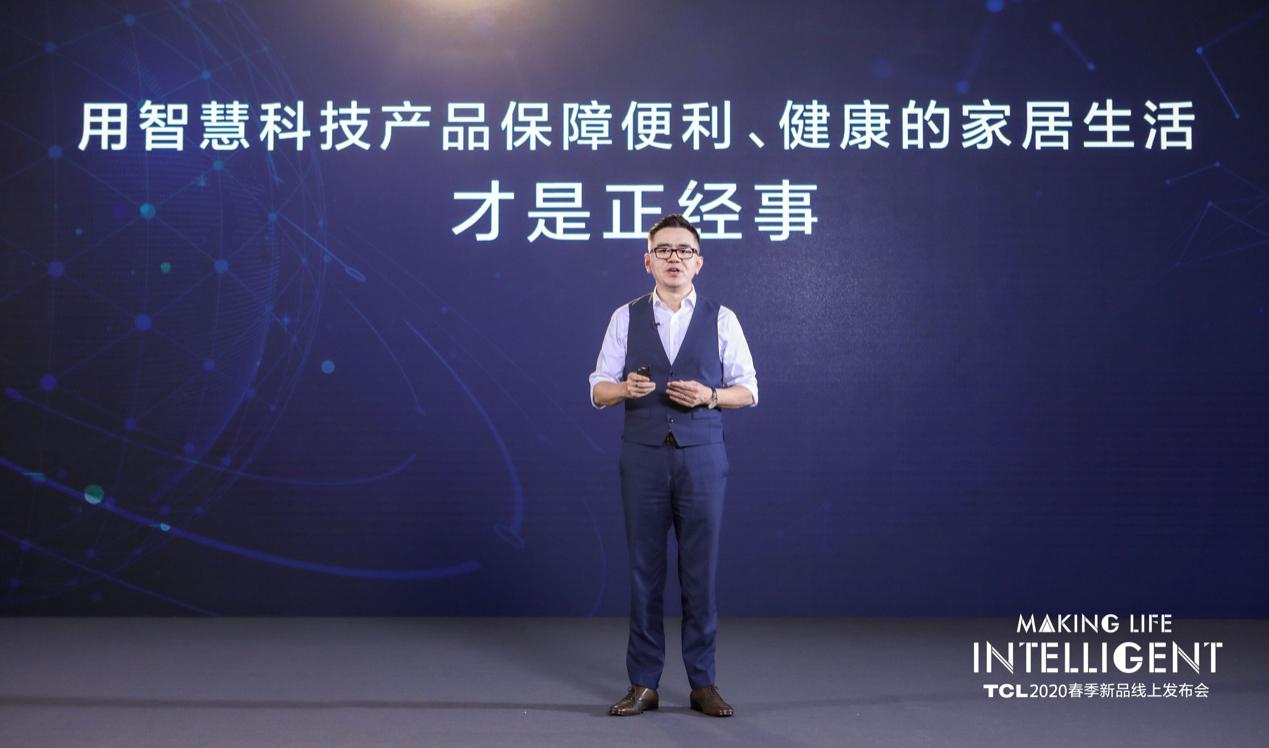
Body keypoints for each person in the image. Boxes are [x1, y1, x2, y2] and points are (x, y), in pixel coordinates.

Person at [589, 213, 758, 717]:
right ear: (648, 261)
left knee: (699, 573)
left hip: (702, 458)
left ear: (698, 262)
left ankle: (703, 683)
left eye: (684, 250)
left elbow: (749, 390)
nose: (674, 258)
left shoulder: (721, 318)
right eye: (664, 250)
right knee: (644, 572)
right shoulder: (625, 316)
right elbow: (598, 388)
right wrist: (624, 389)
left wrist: (710, 395)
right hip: (642, 456)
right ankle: (644, 683)